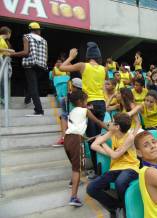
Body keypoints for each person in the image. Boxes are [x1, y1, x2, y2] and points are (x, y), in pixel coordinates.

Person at [59, 42, 107, 180]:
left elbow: (62, 68)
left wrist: (70, 56)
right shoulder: (104, 69)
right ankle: (100, 168)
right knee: (98, 136)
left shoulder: (83, 65)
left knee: (92, 140)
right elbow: (103, 85)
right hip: (101, 104)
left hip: (89, 103)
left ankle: (98, 172)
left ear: (88, 56)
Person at [87, 113, 140, 216]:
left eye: (111, 121)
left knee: (120, 182)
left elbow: (114, 155)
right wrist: (112, 153)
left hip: (131, 168)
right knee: (91, 188)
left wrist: (103, 143)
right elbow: (93, 145)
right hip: (115, 168)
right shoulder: (112, 132)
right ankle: (116, 206)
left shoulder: (130, 137)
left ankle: (126, 209)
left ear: (117, 126)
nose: (109, 123)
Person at [64, 90, 107, 207]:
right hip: (76, 140)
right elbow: (98, 121)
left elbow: (75, 128)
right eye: (85, 100)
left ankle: (72, 181)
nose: (87, 102)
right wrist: (109, 128)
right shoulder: (85, 110)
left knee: (75, 165)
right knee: (77, 169)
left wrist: (86, 138)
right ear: (80, 101)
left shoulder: (72, 111)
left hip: (67, 139)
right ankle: (73, 197)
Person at [11, 22, 47, 116]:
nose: (40, 31)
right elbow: (45, 56)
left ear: (30, 29)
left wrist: (12, 54)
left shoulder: (26, 37)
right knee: (33, 85)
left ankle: (39, 110)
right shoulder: (44, 40)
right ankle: (27, 99)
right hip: (41, 66)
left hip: (31, 65)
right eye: (39, 30)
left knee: (33, 87)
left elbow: (26, 52)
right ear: (37, 30)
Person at [53, 78, 83, 147]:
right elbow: (65, 108)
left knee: (64, 115)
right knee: (64, 115)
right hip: (72, 115)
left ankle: (65, 137)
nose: (70, 87)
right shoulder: (69, 96)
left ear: (75, 87)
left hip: (80, 115)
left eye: (72, 86)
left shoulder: (80, 96)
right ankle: (64, 137)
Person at [0, 26, 14, 104]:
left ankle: (2, 97)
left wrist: (9, 53)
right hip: (0, 59)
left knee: (3, 80)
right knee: (1, 79)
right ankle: (2, 98)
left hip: (3, 60)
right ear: (8, 33)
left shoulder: (3, 40)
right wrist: (8, 50)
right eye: (10, 33)